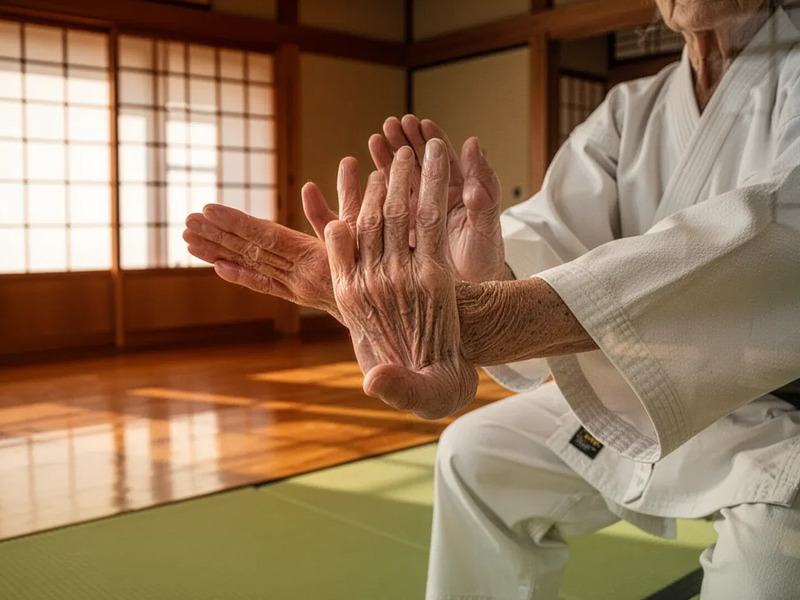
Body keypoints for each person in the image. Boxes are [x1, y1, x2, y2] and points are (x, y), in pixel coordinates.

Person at [184, 0, 800, 597]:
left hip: (780, 415)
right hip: (636, 383)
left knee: (769, 569)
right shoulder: (630, 110)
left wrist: (474, 321)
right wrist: (476, 273)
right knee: (475, 453)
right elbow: (557, 228)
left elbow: (778, 235)